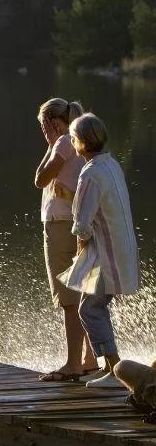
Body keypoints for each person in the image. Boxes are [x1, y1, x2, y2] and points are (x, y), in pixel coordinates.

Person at [59, 113, 140, 388]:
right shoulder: (111, 165)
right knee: (93, 307)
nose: (72, 142)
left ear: (81, 142)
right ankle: (112, 367)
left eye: (73, 138)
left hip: (107, 254)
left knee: (90, 309)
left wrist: (81, 254)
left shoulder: (90, 172)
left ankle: (114, 371)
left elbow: (81, 223)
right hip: (122, 249)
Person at [33, 98, 96, 382]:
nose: (43, 131)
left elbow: (39, 179)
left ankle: (73, 363)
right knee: (84, 291)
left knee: (68, 297)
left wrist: (50, 143)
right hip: (78, 224)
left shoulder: (60, 144)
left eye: (43, 125)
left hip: (59, 226)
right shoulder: (80, 140)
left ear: (50, 123)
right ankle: (89, 358)